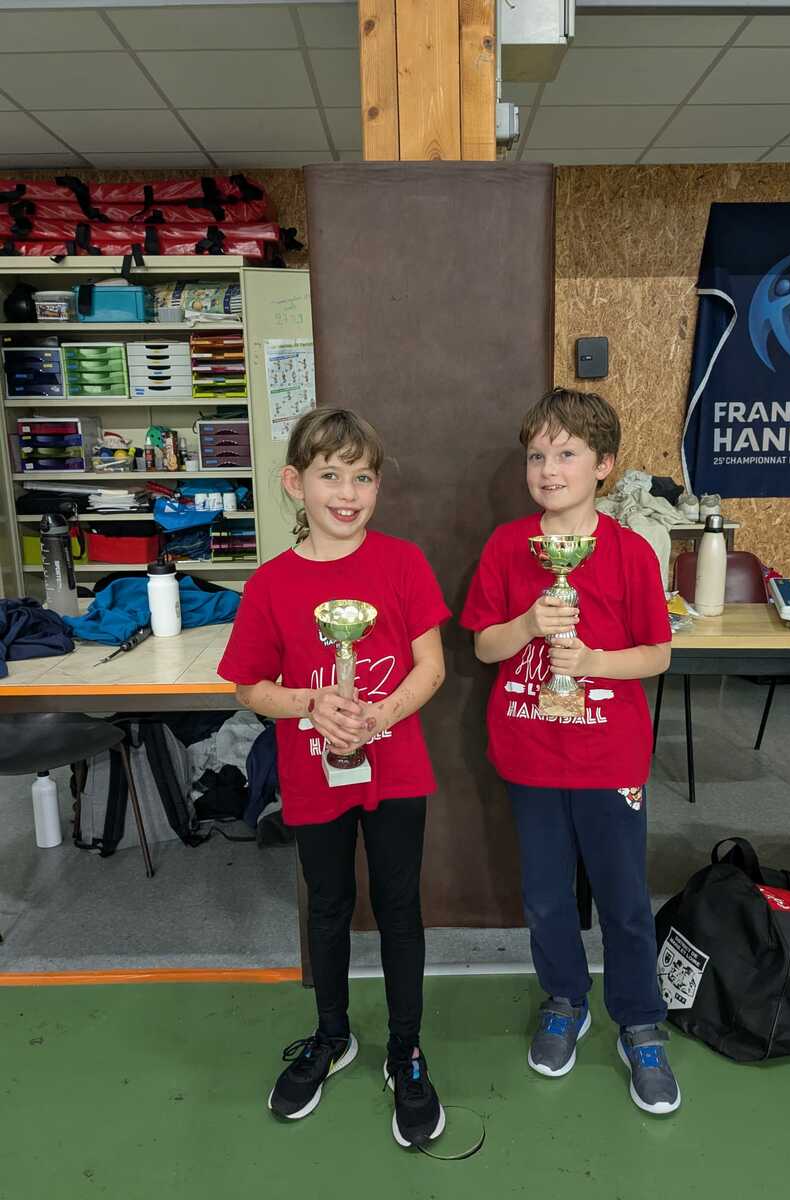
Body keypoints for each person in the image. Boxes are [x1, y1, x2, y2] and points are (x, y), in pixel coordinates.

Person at [217, 408, 450, 1146]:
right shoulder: (271, 584)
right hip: (314, 774)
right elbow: (249, 687)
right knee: (327, 905)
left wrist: (378, 717)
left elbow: (431, 666)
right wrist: (312, 704)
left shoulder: (403, 563)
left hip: (395, 769)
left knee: (399, 906)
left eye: (363, 477)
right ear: (296, 483)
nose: (347, 493)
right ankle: (332, 1035)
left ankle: (406, 1050)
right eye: (330, 475)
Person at [460, 387, 680, 1115]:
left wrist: (593, 663)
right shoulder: (506, 547)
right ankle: (564, 999)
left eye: (567, 454)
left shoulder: (630, 552)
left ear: (604, 465)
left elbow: (657, 655)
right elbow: (484, 646)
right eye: (536, 456)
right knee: (547, 896)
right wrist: (528, 622)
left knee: (624, 899)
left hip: (609, 757)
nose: (548, 470)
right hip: (530, 750)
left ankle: (640, 1021)